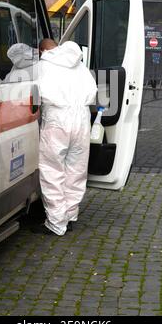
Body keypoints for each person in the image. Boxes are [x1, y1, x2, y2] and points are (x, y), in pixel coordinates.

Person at [32, 39, 97, 236]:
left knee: (52, 170)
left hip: (57, 117)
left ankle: (56, 222)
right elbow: (94, 91)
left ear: (42, 50)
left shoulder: (42, 66)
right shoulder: (80, 66)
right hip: (82, 118)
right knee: (76, 170)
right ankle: (69, 216)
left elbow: (34, 97)